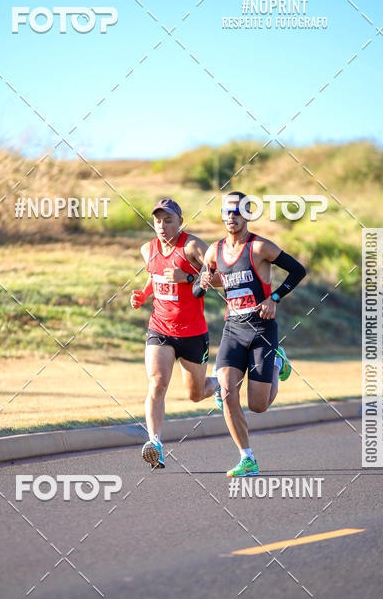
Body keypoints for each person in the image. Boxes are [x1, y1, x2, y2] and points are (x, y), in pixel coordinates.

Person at [195, 191, 307, 476]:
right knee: (228, 391)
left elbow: (297, 271)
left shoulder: (260, 248)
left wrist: (275, 299)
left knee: (258, 405)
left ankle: (278, 362)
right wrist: (204, 281)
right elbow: (199, 288)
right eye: (226, 212)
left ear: (247, 215)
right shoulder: (213, 251)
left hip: (262, 329)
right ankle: (247, 458)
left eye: (237, 212)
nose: (231, 217)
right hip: (233, 329)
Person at [130, 198, 221, 469]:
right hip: (160, 328)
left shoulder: (192, 246)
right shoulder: (148, 249)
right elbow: (154, 275)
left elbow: (219, 276)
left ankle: (218, 383)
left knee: (195, 394)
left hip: (193, 333)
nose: (162, 225)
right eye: (158, 220)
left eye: (168, 220)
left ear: (180, 221)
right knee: (157, 383)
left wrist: (189, 278)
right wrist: (143, 294)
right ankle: (155, 444)